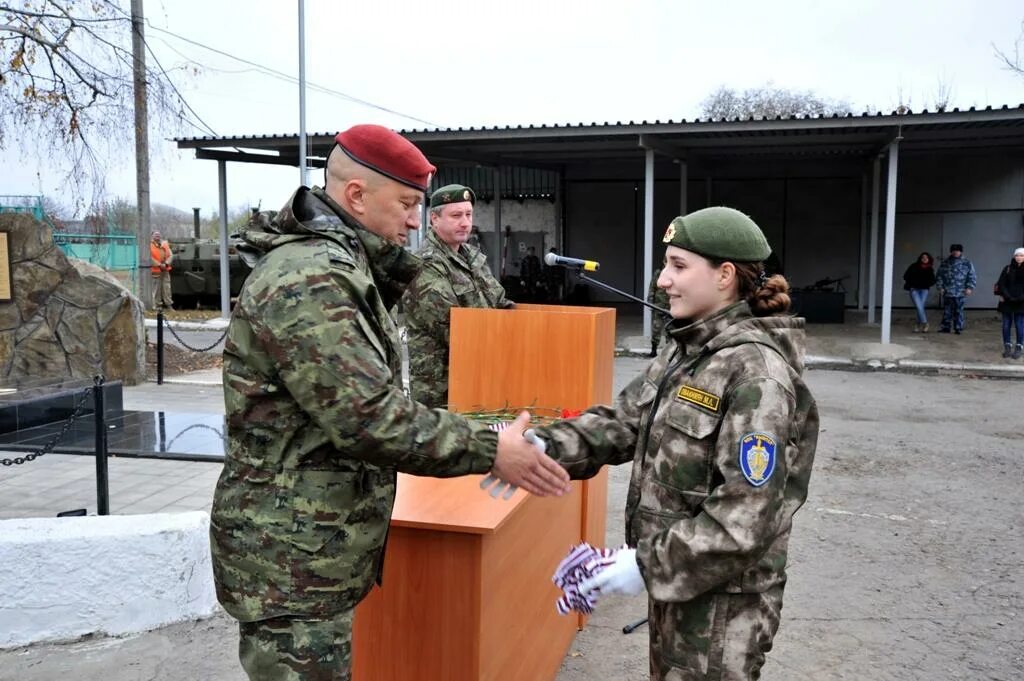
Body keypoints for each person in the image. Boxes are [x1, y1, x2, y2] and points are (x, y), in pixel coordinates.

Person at [209, 125, 568, 681]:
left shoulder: (342, 267)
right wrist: (492, 447)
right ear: (355, 196)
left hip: (310, 544)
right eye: (406, 204)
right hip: (290, 555)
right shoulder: (313, 277)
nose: (411, 220)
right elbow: (369, 419)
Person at [536, 207, 819, 680]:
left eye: (678, 265)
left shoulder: (755, 374)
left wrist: (643, 565)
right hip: (681, 585)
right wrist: (539, 445)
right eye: (666, 265)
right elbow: (624, 422)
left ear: (725, 275)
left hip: (721, 610)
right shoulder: (686, 350)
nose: (663, 280)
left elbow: (743, 520)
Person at [401, 183, 514, 408]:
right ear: (434, 219)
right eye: (456, 215)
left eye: (468, 214)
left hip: (482, 379)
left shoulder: (472, 257)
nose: (465, 222)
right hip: (444, 392)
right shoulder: (425, 265)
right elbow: (454, 329)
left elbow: (501, 303)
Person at [935, 243, 976, 334]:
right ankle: (946, 327)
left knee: (959, 310)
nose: (955, 252)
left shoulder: (967, 263)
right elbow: (939, 276)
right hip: (948, 291)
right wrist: (940, 287)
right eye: (954, 251)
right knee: (947, 310)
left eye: (957, 251)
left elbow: (972, 276)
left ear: (960, 251)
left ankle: (958, 327)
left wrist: (970, 287)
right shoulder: (945, 263)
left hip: (960, 291)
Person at [996, 247, 1024, 358]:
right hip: (1007, 301)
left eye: (1021, 255)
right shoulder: (1007, 268)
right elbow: (1001, 284)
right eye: (1017, 255)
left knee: (1019, 324)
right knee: (1006, 325)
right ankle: (1007, 346)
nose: (1019, 257)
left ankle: (1019, 346)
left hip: (1021, 302)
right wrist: (1007, 296)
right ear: (1014, 256)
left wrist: (1020, 297)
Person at [902, 251, 936, 332]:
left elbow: (933, 280)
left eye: (926, 258)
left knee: (920, 307)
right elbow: (906, 276)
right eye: (923, 257)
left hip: (924, 290)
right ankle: (925, 323)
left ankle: (917, 324)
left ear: (929, 259)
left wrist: (926, 284)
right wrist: (912, 285)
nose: (924, 259)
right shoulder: (914, 266)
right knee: (919, 306)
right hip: (914, 290)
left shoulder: (930, 268)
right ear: (920, 258)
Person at [646, 267, 671, 356]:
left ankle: (669, 352)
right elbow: (652, 287)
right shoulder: (659, 272)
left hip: (671, 306)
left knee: (670, 330)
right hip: (658, 305)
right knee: (656, 328)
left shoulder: (675, 272)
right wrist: (650, 301)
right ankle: (654, 350)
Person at [149, 230, 174, 309]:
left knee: (167, 288)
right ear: (152, 236)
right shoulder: (149, 245)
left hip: (165, 270)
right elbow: (149, 258)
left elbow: (170, 255)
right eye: (155, 234)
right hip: (156, 271)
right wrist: (159, 264)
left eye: (158, 234)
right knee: (156, 290)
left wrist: (166, 264)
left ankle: (169, 305)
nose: (157, 235)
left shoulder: (165, 244)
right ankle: (157, 305)